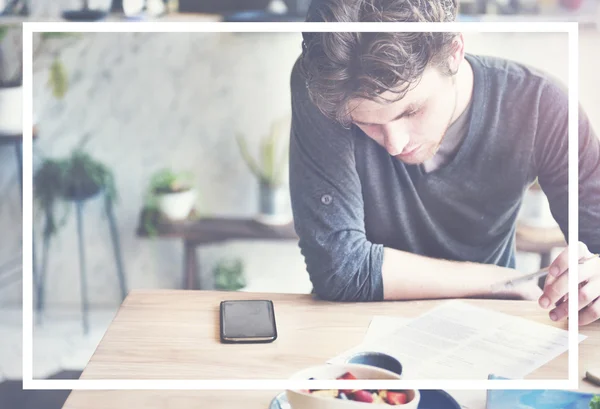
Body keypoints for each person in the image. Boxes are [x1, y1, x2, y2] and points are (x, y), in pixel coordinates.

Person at [288, 0, 600, 325]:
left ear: (454, 52)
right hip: (361, 330)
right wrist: (499, 281)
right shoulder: (328, 87)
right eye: (364, 122)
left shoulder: (541, 106)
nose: (395, 144)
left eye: (411, 111)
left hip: (494, 326)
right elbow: (339, 268)